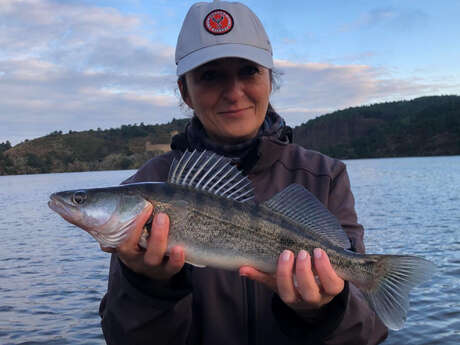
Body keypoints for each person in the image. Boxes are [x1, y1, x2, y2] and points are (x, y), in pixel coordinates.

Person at [99, 1, 388, 344]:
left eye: (248, 71)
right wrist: (148, 287)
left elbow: (368, 334)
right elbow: (122, 338)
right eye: (210, 75)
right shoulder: (146, 189)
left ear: (269, 80)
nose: (234, 92)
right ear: (185, 92)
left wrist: (324, 310)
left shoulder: (324, 176)